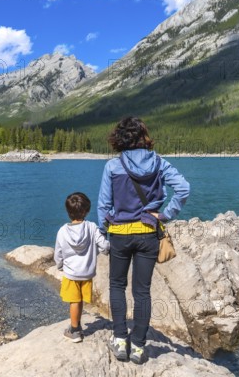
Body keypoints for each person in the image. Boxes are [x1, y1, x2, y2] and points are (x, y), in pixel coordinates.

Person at [97, 116, 190, 364]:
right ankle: (138, 346)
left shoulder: (113, 167)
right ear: (144, 136)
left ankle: (119, 339)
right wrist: (166, 214)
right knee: (143, 292)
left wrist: (102, 232)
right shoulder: (159, 163)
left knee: (117, 286)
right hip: (148, 234)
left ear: (120, 138)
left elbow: (104, 205)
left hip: (119, 235)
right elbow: (184, 189)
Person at [55, 192, 110, 343]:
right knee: (79, 300)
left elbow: (58, 253)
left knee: (74, 301)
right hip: (87, 273)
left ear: (68, 212)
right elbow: (104, 245)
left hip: (71, 274)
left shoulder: (62, 231)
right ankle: (77, 324)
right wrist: (105, 249)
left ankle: (74, 331)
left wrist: (60, 266)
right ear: (86, 211)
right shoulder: (92, 227)